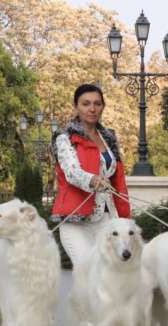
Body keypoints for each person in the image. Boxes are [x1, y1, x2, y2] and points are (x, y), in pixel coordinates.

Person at [51, 83, 131, 266]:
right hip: (76, 221)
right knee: (87, 270)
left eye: (97, 103)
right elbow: (71, 172)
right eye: (86, 104)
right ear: (76, 107)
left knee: (111, 272)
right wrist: (92, 180)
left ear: (103, 106)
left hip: (107, 220)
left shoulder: (109, 138)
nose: (92, 109)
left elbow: (118, 181)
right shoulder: (64, 137)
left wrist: (124, 217)